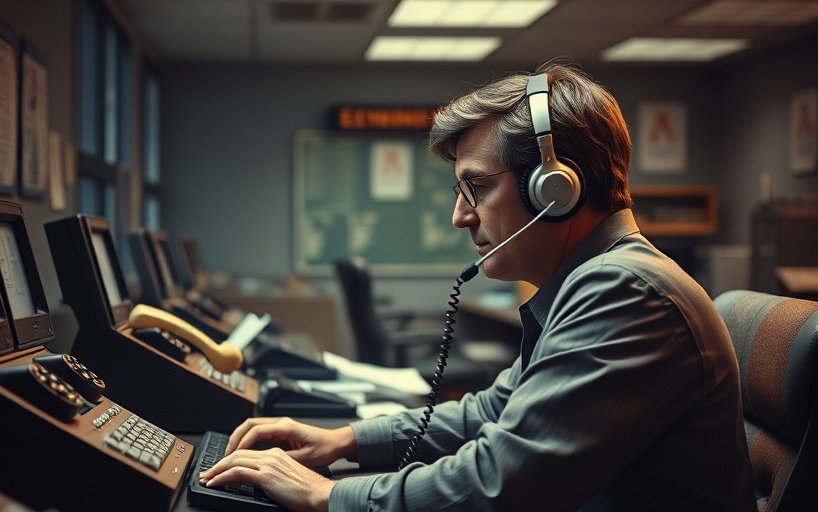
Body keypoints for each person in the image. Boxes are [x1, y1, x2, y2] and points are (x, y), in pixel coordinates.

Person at [198, 57, 755, 511]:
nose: (461, 217)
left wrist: (330, 496)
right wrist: (347, 440)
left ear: (554, 190)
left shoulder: (626, 294)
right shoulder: (593, 282)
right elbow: (491, 411)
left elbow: (498, 485)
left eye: (477, 189)